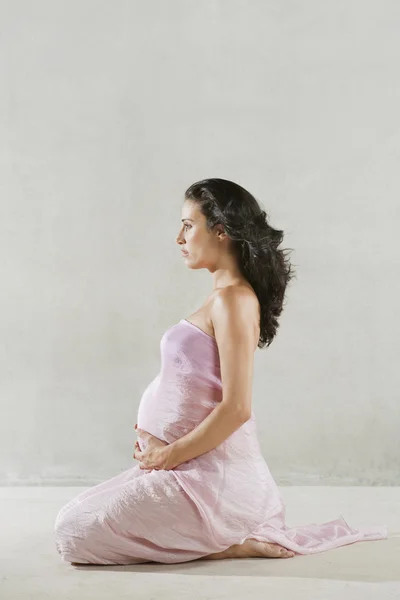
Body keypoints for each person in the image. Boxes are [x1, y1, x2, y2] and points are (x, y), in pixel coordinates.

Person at [54, 178, 387, 565]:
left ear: (221, 231)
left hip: (213, 483)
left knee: (73, 531)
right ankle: (219, 535)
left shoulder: (234, 300)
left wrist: (169, 454)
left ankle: (232, 541)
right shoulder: (221, 298)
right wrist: (159, 447)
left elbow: (237, 408)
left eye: (188, 225)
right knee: (74, 513)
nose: (179, 237)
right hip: (187, 470)